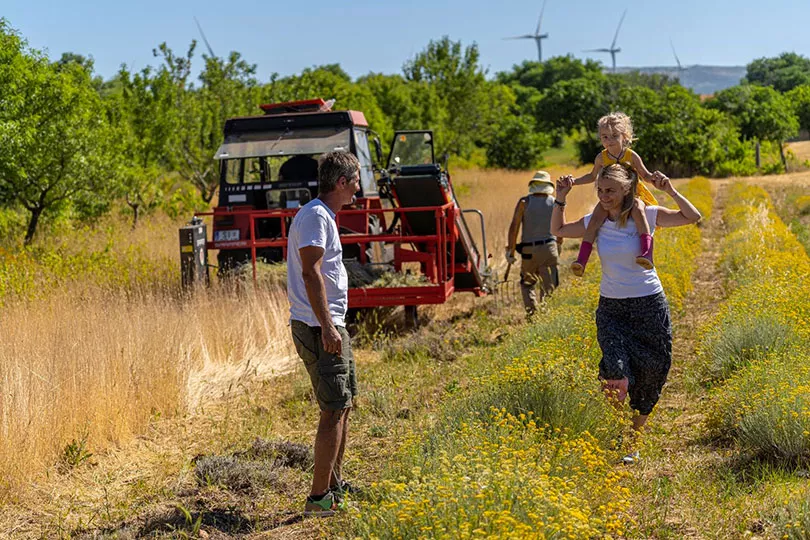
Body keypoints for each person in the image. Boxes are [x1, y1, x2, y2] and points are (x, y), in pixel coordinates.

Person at [551, 164, 701, 463]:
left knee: (652, 372)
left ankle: (633, 439)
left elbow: (693, 217)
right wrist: (561, 197)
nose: (604, 196)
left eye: (610, 190)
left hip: (649, 304)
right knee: (615, 373)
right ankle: (618, 429)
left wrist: (669, 190)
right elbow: (558, 230)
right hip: (612, 308)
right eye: (600, 190)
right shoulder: (596, 221)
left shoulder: (647, 215)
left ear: (625, 190)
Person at [287, 150, 361, 516]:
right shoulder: (316, 216)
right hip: (320, 327)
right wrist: (329, 326)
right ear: (341, 182)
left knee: (343, 404)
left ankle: (334, 487)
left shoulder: (323, 216)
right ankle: (318, 499)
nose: (358, 188)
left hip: (330, 325)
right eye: (356, 180)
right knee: (333, 409)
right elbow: (310, 272)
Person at [569, 112, 664, 277]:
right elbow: (592, 177)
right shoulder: (601, 157)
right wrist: (574, 181)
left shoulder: (630, 155)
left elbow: (645, 175)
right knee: (594, 221)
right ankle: (581, 260)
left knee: (638, 210)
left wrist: (655, 178)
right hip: (611, 198)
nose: (609, 140)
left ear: (624, 136)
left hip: (633, 194)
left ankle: (647, 253)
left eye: (614, 136)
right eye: (604, 137)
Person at [505, 171, 561, 318]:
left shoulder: (524, 202)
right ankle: (546, 316)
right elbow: (560, 227)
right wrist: (558, 246)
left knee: (528, 283)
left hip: (529, 250)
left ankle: (532, 315)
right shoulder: (555, 203)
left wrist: (510, 251)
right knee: (549, 286)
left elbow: (514, 227)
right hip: (549, 248)